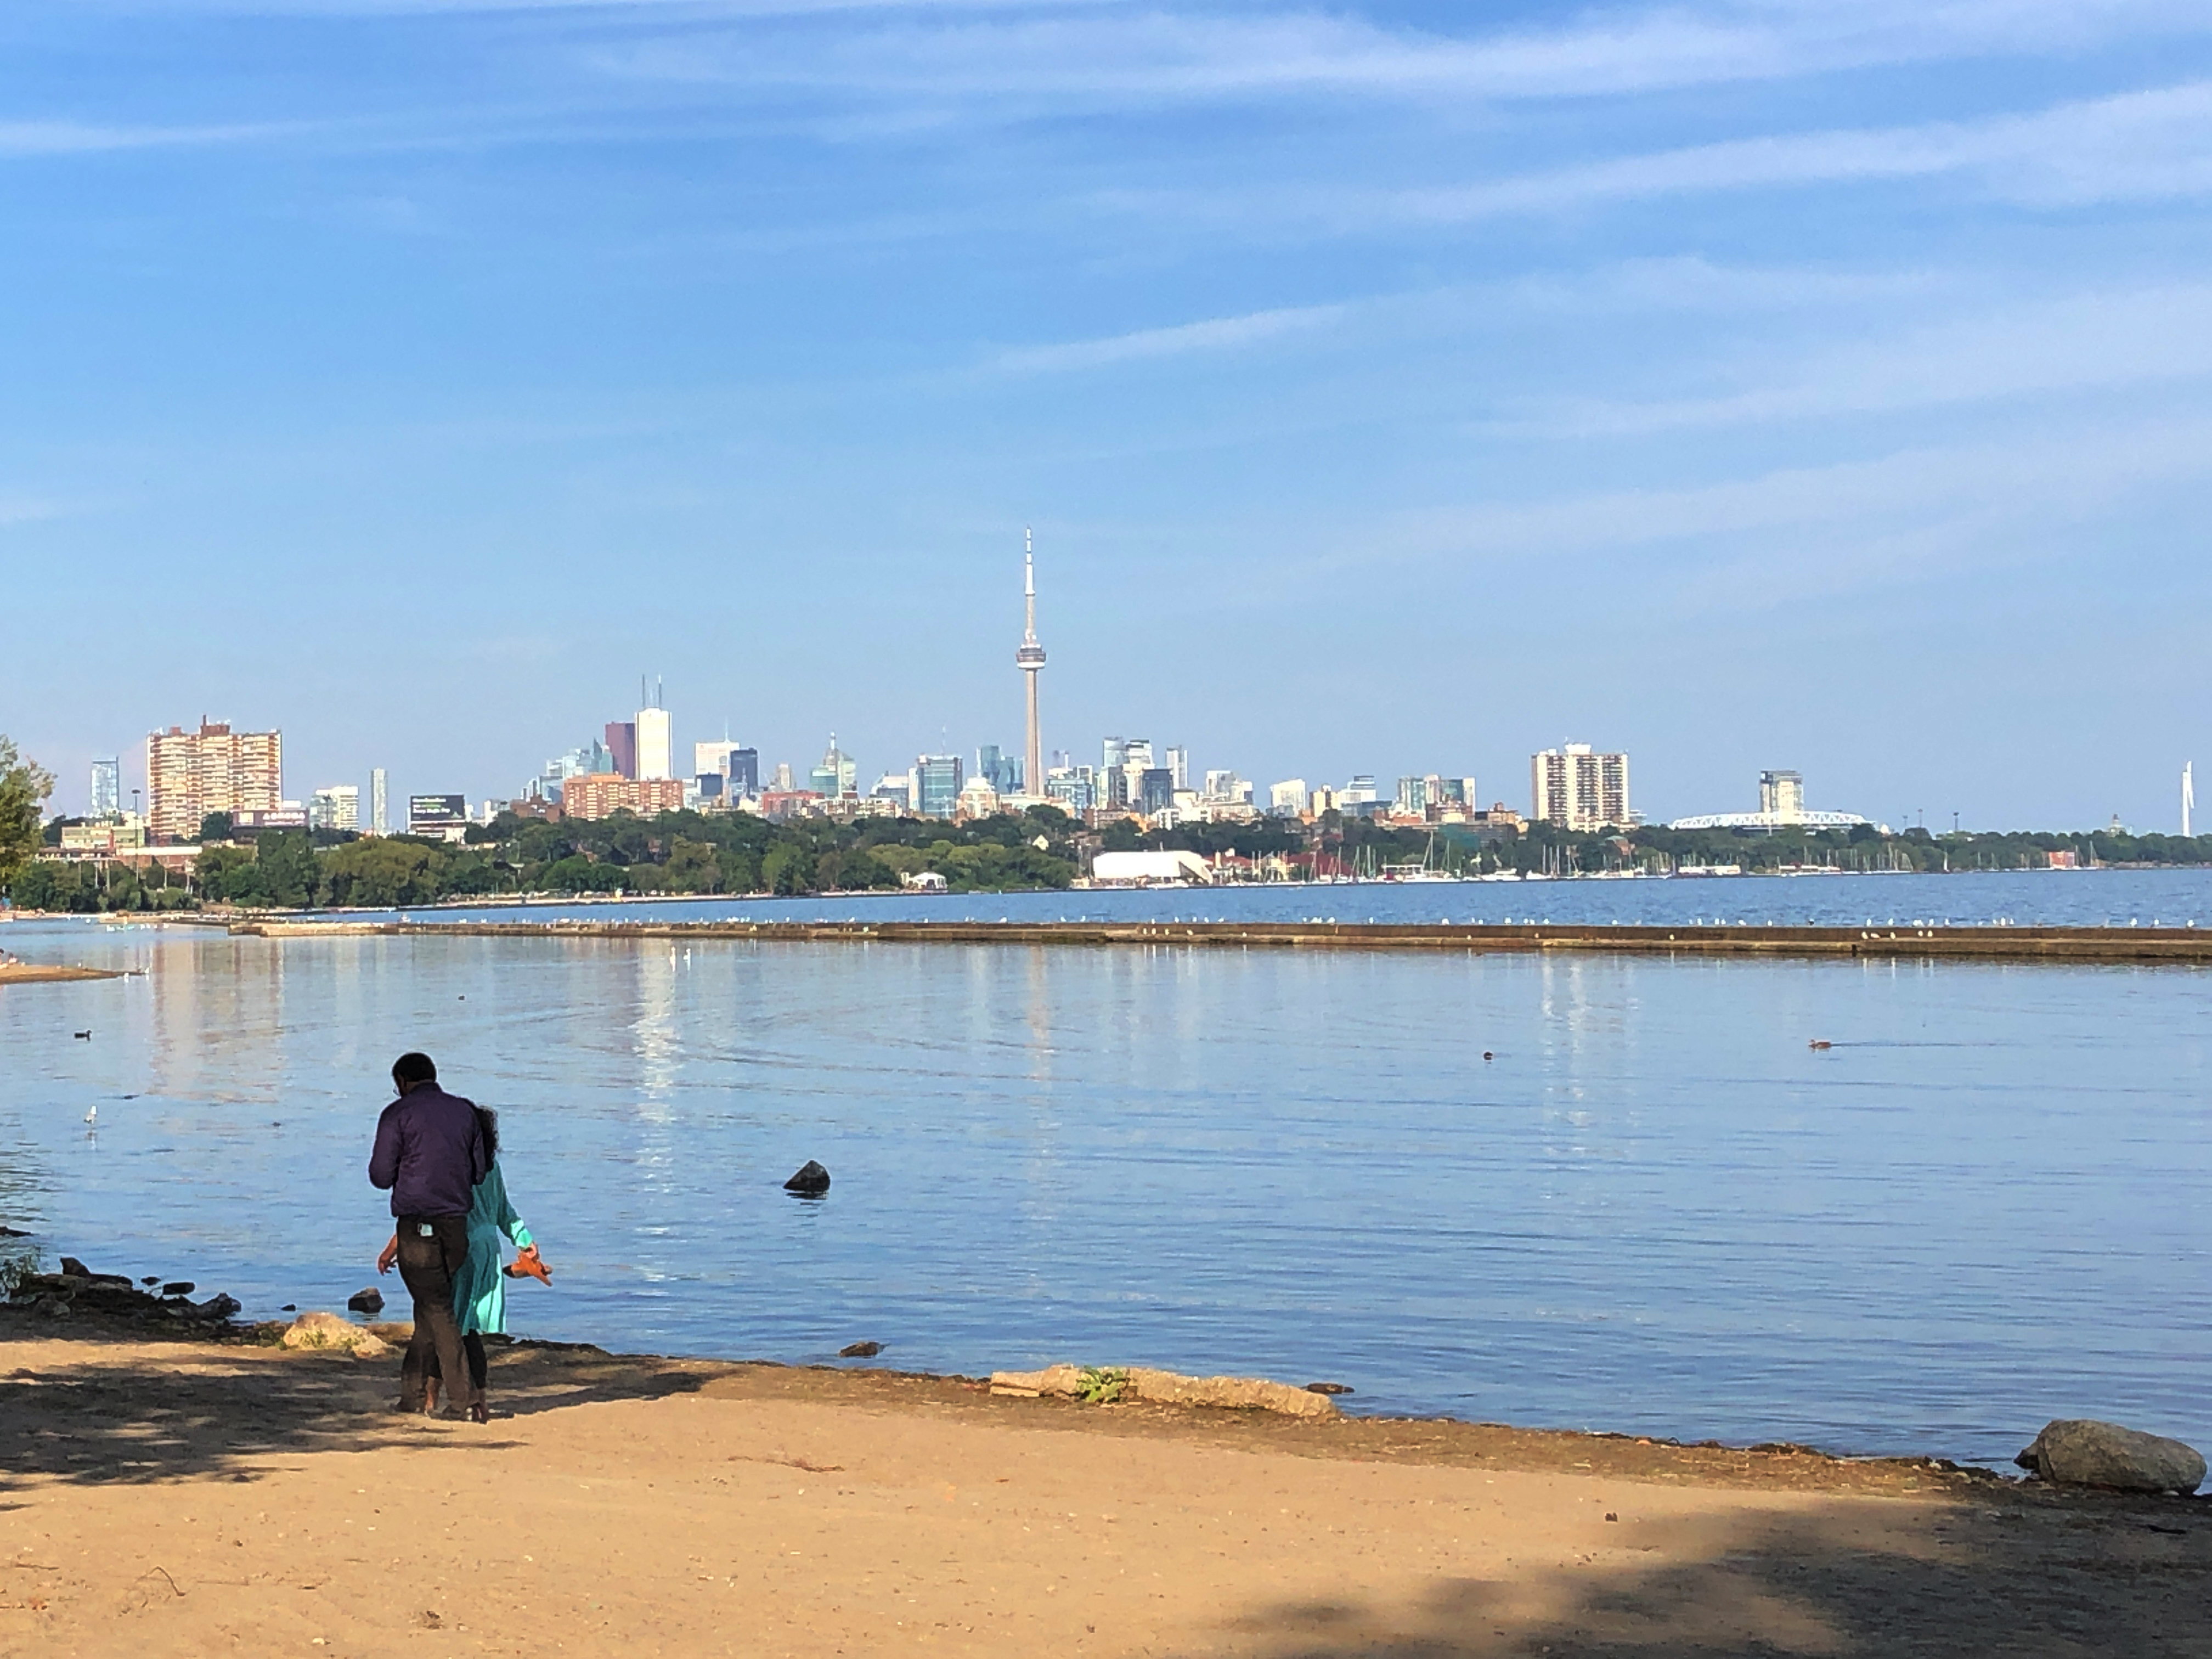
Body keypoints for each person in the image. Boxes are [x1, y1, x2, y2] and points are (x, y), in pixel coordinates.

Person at [378, 1104, 550, 1419]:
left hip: (457, 1244)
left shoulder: (449, 1165)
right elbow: (504, 1212)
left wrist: (393, 1247)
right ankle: (479, 1400)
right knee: (467, 1329)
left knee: (440, 1324)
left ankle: (431, 1398)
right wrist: (525, 1241)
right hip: (488, 1249)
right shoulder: (491, 1166)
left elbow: (425, 1209)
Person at [368, 1052, 487, 1420]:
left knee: (438, 1309)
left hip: (418, 1224)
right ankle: (412, 1395)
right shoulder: (465, 1111)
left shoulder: (397, 1114)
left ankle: (464, 1400)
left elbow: (380, 1176)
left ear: (403, 1081)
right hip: (456, 1226)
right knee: (431, 1306)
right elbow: (479, 1172)